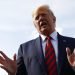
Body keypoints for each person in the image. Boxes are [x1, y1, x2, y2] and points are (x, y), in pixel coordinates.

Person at [0, 4, 75, 75]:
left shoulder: (73, 43)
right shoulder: (24, 49)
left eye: (44, 14)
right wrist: (14, 73)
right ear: (35, 25)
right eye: (37, 18)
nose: (41, 18)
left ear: (54, 19)